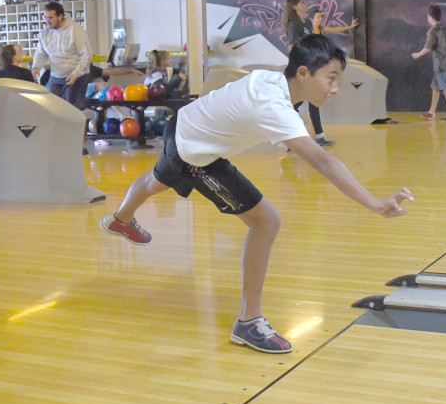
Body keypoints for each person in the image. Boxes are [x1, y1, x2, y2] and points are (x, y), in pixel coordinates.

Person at [100, 34, 413, 354]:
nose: (335, 89)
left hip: (181, 124)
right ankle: (248, 322)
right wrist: (375, 204)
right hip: (196, 155)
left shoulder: (272, 80)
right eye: (331, 79)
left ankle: (120, 219)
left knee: (156, 181)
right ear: (303, 73)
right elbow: (323, 162)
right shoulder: (274, 105)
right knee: (266, 222)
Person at [282, 0, 357, 147]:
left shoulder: (306, 23)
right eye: (302, 2)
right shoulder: (294, 25)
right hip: (302, 70)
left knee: (313, 100)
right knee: (295, 104)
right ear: (295, 6)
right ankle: (289, 137)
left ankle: (317, 136)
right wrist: (298, 69)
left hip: (310, 67)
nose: (306, 3)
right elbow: (292, 48)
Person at [411, 4, 446, 121]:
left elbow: (428, 48)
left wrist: (418, 54)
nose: (427, 18)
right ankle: (432, 112)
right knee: (435, 87)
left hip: (440, 65)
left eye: (428, 16)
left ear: (431, 17)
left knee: (445, 88)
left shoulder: (432, 31)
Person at [32, 1, 92, 108]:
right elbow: (41, 53)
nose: (47, 21)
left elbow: (86, 56)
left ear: (60, 16)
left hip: (76, 75)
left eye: (50, 18)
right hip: (56, 75)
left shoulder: (75, 30)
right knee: (49, 105)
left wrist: (75, 74)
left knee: (71, 108)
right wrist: (36, 67)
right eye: (45, 17)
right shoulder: (45, 32)